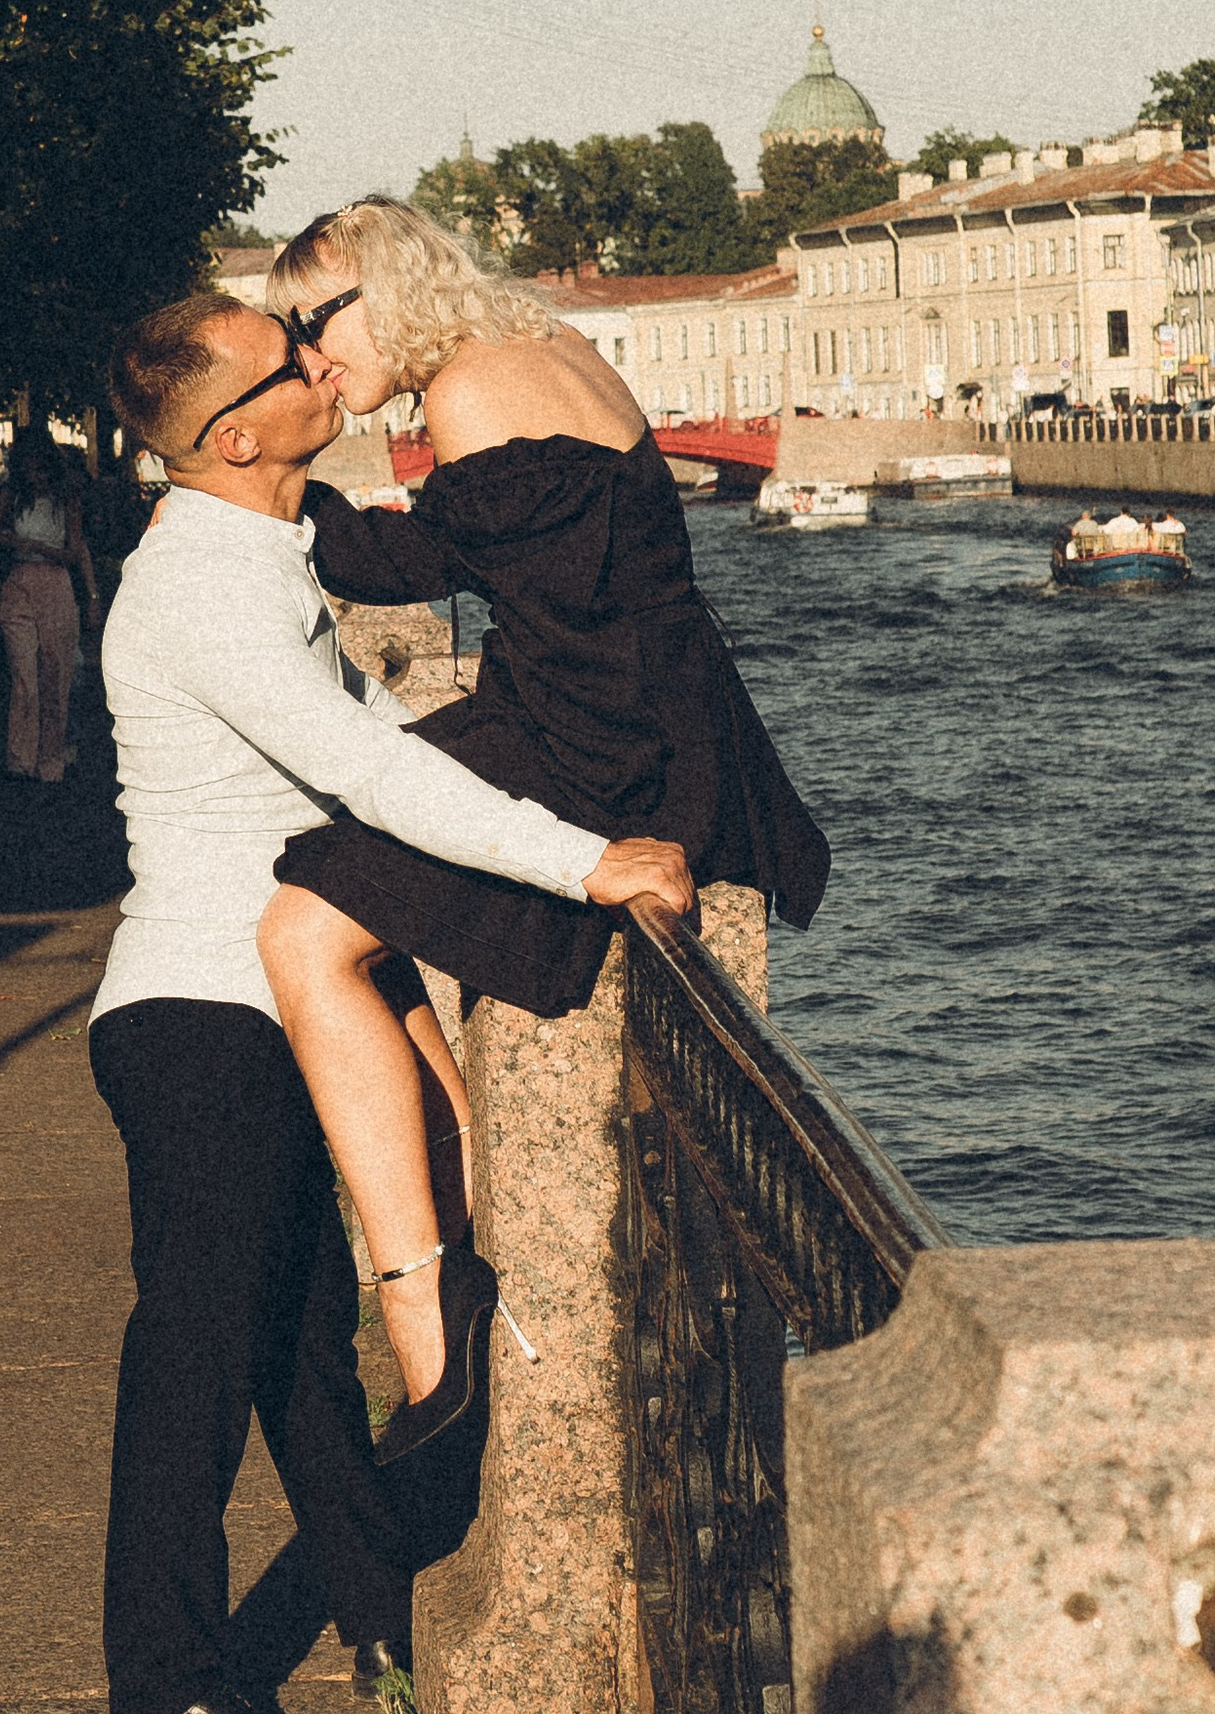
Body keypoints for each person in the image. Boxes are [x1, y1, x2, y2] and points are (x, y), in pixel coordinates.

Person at [90, 288, 691, 1714]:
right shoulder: (203, 591)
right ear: (238, 435)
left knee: (295, 1355)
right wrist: (590, 860)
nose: (317, 360)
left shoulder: (259, 552)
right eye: (287, 360)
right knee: (199, 1352)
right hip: (202, 1018)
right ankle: (161, 1696)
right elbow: (371, 775)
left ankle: (380, 1624)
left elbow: (400, 748)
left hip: (246, 1006)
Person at [257, 198, 828, 1445]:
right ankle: (453, 1212)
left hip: (606, 744)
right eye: (291, 336)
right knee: (353, 882)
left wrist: (260, 479)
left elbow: (416, 573)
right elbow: (521, 575)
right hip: (646, 713)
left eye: (314, 323)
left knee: (307, 923)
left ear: (386, 292)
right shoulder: (538, 350)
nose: (308, 356)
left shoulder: (473, 392)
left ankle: (426, 1302)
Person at [0, 431, 99, 785]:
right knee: (24, 678)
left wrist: (92, 598)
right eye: (29, 470)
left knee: (55, 675)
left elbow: (73, 551)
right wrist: (9, 542)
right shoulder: (11, 497)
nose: (36, 477)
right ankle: (20, 760)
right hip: (18, 585)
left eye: (41, 469)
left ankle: (51, 761)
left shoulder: (67, 500)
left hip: (56, 585)